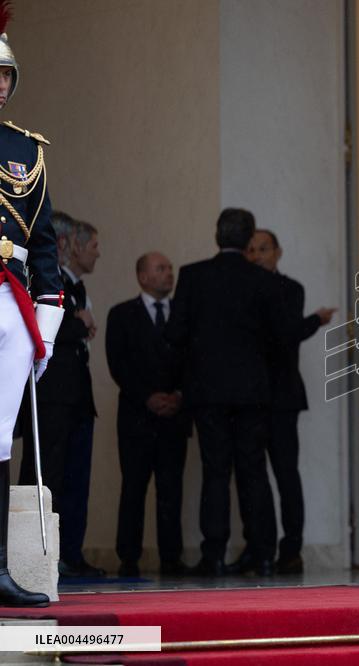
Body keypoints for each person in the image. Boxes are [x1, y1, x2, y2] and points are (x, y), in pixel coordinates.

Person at [167, 208, 287, 577]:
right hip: (252, 391)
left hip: (208, 391)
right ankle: (262, 553)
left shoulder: (192, 276)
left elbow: (176, 334)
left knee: (215, 472)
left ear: (217, 234)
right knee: (253, 471)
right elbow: (278, 338)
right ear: (249, 239)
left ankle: (213, 554)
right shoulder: (262, 280)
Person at [0, 19, 64, 607]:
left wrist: (44, 320)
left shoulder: (26, 149)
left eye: (4, 75)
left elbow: (42, 241)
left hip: (12, 300)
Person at [243, 229, 334, 574]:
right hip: (248, 397)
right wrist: (316, 320)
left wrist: (312, 322)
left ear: (278, 252)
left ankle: (291, 549)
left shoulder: (290, 288)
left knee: (285, 474)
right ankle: (259, 549)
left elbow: (284, 334)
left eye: (263, 249)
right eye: (251, 250)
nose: (256, 255)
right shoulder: (240, 291)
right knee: (252, 477)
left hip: (281, 397)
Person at [20, 216, 104, 579]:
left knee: (74, 479)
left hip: (76, 398)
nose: (98, 253)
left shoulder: (75, 286)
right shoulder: (38, 277)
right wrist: (78, 324)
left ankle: (70, 550)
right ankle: (36, 554)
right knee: (47, 476)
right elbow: (36, 324)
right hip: (51, 396)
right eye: (92, 245)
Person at [106, 252, 192, 577]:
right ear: (142, 276)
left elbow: (194, 360)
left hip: (175, 416)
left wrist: (180, 396)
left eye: (170, 268)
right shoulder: (121, 315)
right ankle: (129, 557)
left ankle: (172, 558)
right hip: (136, 418)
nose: (169, 273)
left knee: (172, 489)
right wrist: (147, 397)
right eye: (161, 268)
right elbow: (118, 365)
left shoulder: (184, 316)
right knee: (134, 488)